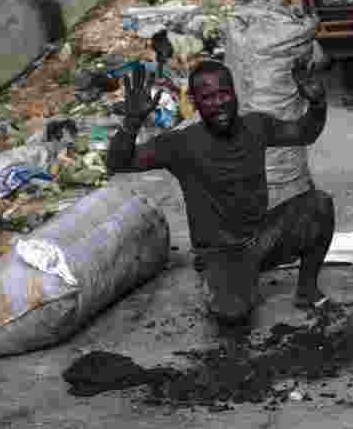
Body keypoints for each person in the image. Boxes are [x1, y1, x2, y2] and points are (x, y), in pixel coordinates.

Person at [106, 57, 337, 326]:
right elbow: (118, 164)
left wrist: (318, 104)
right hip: (220, 254)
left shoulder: (256, 126)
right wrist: (131, 124)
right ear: (194, 102)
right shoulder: (181, 144)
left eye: (223, 93)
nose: (218, 104)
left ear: (234, 93)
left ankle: (307, 291)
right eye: (208, 98)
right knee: (233, 314)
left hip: (262, 236)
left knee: (319, 205)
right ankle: (219, 282)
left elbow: (303, 133)